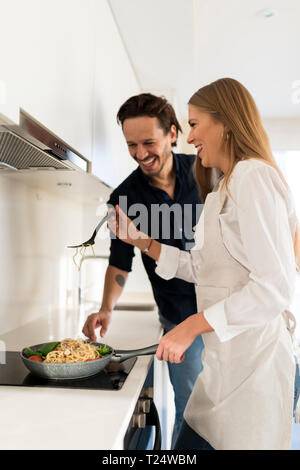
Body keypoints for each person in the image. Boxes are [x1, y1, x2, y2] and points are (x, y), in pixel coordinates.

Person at [109, 78, 300, 450]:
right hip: (225, 367)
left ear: (225, 122)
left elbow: (274, 288)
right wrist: (141, 240)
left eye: (195, 124)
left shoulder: (253, 176)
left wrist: (190, 326)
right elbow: (202, 269)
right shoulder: (224, 186)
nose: (190, 135)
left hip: (254, 374)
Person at [82, 93, 204, 443]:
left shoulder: (205, 174)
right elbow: (120, 263)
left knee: (226, 411)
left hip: (222, 311)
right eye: (131, 144)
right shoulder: (124, 199)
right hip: (178, 317)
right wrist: (106, 308)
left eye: (148, 142)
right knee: (190, 410)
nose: (140, 154)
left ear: (173, 134)